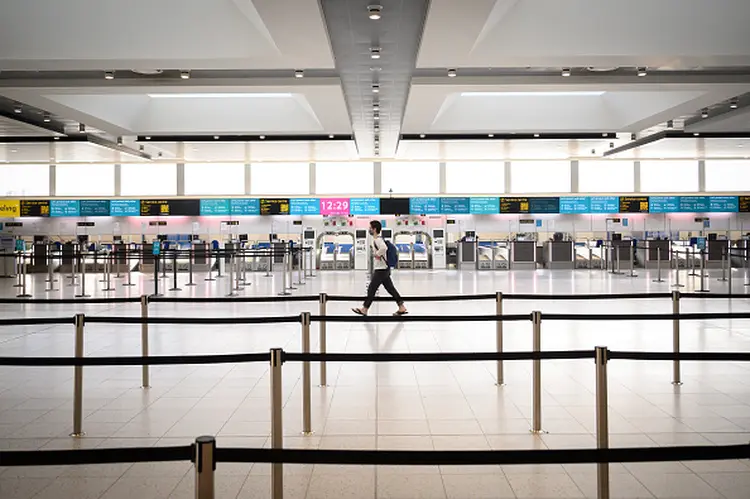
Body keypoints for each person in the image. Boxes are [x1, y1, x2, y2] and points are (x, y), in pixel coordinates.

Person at [352, 220, 408, 316]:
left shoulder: (377, 240)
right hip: (384, 268)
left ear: (374, 229)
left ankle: (364, 309)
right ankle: (401, 307)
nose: (369, 229)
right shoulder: (379, 239)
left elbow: (384, 248)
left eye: (370, 228)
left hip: (381, 269)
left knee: (372, 289)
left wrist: (376, 254)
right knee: (390, 288)